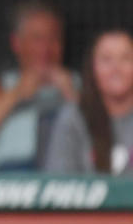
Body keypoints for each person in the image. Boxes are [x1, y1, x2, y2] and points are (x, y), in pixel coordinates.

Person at [0, 0, 78, 170]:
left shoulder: (84, 86)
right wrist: (15, 94)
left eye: (54, 39)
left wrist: (72, 94)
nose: (46, 49)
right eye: (37, 38)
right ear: (16, 43)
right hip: (9, 178)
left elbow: (114, 143)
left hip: (68, 179)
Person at [44, 29, 133, 175]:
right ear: (92, 68)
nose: (116, 68)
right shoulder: (73, 117)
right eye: (106, 59)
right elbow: (59, 182)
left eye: (125, 58)